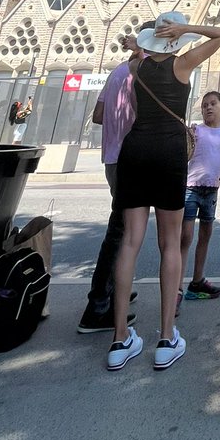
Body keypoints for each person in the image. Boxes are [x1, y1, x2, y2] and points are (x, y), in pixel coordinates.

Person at [107, 12, 220, 373]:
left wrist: (138, 45)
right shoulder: (183, 64)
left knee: (129, 243)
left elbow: (138, 54)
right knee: (170, 243)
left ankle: (119, 340)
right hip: (168, 153)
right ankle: (166, 337)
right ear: (173, 38)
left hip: (135, 150)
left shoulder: (136, 68)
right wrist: (188, 30)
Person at [77, 25, 154, 334]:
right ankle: (97, 307)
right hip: (132, 159)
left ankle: (114, 288)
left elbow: (97, 115)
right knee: (121, 234)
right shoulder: (145, 68)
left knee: (122, 230)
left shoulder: (117, 72)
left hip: (112, 158)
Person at [178, 91, 220, 308]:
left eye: (212, 104)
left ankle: (197, 281)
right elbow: (187, 154)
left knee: (205, 235)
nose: (208, 108)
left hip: (211, 191)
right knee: (185, 237)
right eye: (204, 105)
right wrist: (189, 139)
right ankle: (177, 288)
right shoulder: (196, 130)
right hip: (191, 189)